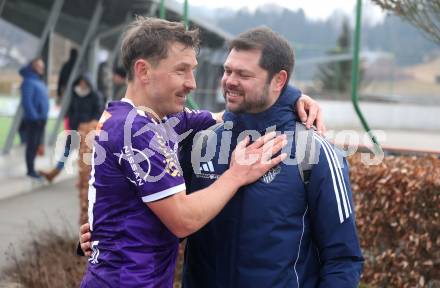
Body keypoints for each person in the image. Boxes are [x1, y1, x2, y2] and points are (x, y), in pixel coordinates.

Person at [78, 19, 326, 287]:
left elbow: (225, 114)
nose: (192, 83)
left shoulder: (160, 120)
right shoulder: (134, 130)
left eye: (193, 71)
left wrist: (290, 98)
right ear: (143, 71)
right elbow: (183, 220)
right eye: (181, 71)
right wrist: (236, 174)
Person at [179, 27, 364, 288]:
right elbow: (168, 229)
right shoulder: (202, 141)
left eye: (243, 74)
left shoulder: (314, 152)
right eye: (228, 70)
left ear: (279, 80)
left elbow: (343, 259)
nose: (229, 80)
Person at [39, 74, 102, 182]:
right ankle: (54, 172)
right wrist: (72, 124)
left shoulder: (95, 95)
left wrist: (90, 125)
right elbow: (70, 110)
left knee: (88, 154)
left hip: (89, 130)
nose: (82, 85)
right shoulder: (74, 94)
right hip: (75, 128)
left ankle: (91, 178)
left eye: (84, 82)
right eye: (80, 82)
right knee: (67, 151)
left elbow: (98, 111)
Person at [19, 57, 49, 179]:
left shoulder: (38, 81)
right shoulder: (28, 81)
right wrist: (34, 117)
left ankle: (32, 168)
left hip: (41, 119)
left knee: (36, 145)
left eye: (43, 66)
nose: (42, 68)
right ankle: (30, 170)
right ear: (33, 67)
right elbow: (27, 102)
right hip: (34, 120)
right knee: (32, 145)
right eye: (39, 66)